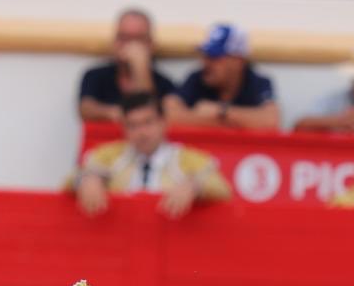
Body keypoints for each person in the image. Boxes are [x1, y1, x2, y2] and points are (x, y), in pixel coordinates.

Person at [68, 91, 232, 216]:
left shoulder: (189, 159)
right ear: (123, 128)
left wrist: (195, 186)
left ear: (163, 123)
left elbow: (222, 189)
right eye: (133, 125)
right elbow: (70, 179)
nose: (142, 132)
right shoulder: (108, 156)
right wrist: (86, 179)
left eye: (148, 122)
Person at [78, 8, 184, 123]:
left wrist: (140, 67)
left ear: (150, 44)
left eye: (138, 39)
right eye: (124, 38)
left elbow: (149, 116)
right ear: (115, 42)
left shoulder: (165, 83)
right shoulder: (95, 75)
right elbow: (85, 109)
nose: (130, 45)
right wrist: (112, 112)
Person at [178, 24, 281, 129]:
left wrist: (220, 111)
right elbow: (170, 116)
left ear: (238, 61)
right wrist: (237, 122)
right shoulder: (197, 78)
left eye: (215, 57)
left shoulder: (257, 82)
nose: (206, 63)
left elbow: (271, 122)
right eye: (206, 56)